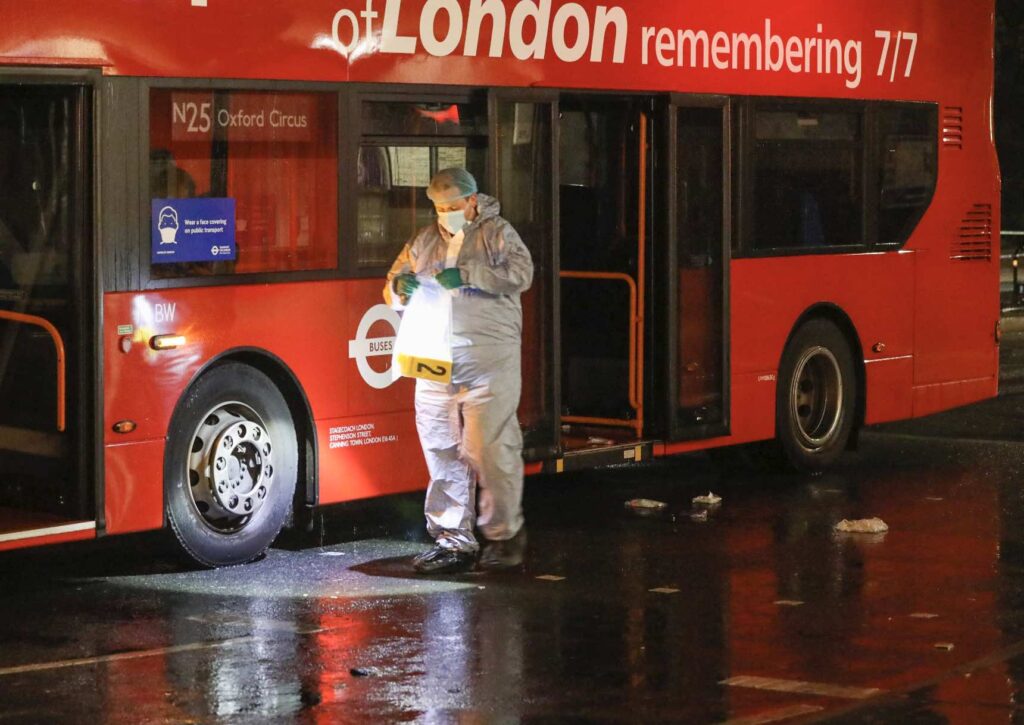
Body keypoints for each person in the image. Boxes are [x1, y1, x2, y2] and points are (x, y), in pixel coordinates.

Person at [384, 168, 533, 574]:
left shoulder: (497, 233)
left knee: (489, 447)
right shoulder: (424, 239)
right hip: (435, 357)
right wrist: (400, 287)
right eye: (439, 207)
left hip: (489, 358)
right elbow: (394, 281)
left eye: (453, 206)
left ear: (472, 200)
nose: (446, 214)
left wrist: (468, 276)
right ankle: (452, 541)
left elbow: (522, 274)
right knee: (441, 449)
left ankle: (504, 535)